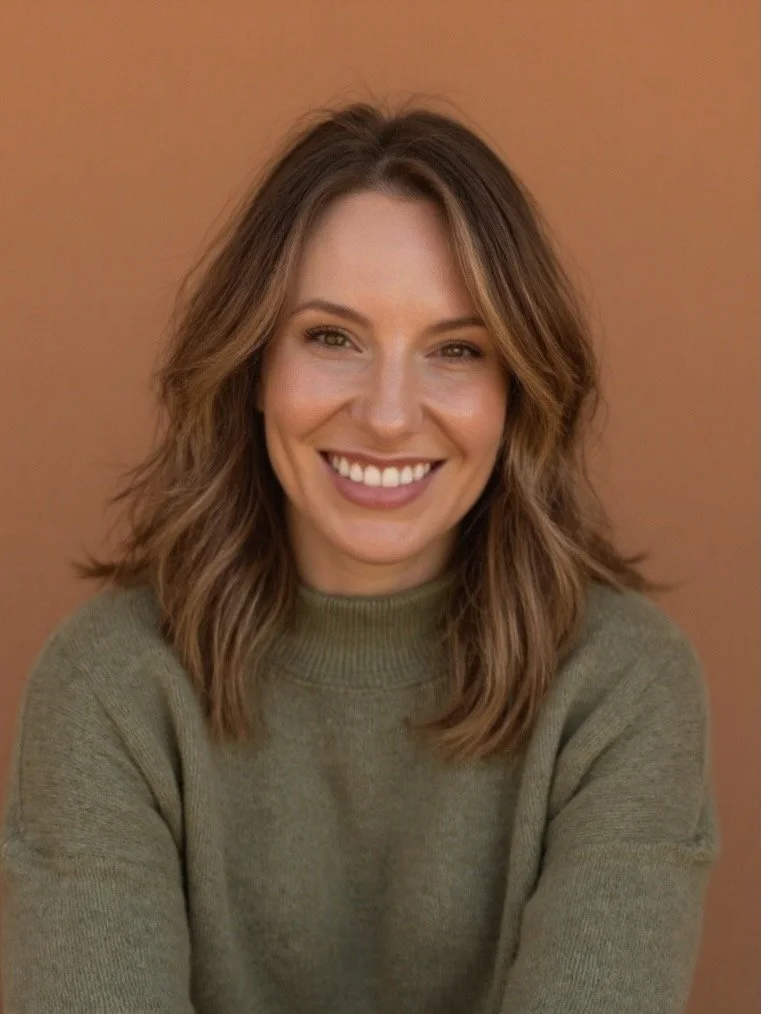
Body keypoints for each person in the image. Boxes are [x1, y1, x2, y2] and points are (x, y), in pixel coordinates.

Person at [1, 100, 720, 1013]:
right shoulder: (110, 686)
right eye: (332, 337)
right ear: (254, 365)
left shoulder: (621, 686)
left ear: (518, 392)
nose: (386, 415)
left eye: (455, 350)